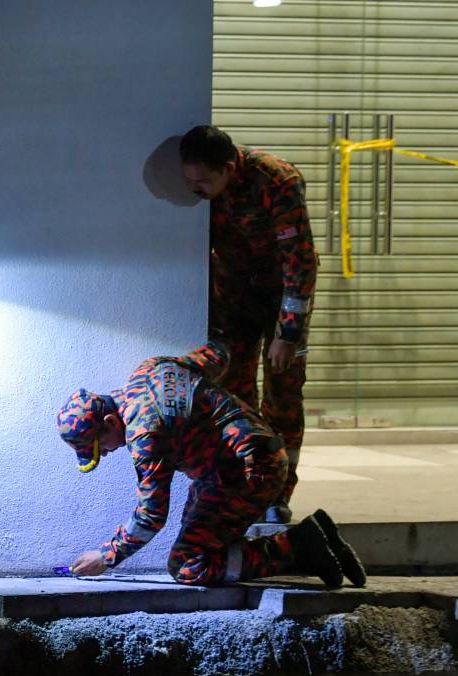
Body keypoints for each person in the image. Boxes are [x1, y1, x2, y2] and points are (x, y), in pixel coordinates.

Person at [57, 342, 365, 588]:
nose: (107, 454)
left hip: (248, 474)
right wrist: (214, 410)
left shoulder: (144, 433)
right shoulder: (150, 369)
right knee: (197, 524)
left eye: (101, 448)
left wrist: (106, 556)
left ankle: (296, 547)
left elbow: (151, 515)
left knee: (188, 565)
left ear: (110, 422)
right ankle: (321, 535)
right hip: (256, 453)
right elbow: (218, 354)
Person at [180, 126, 318, 524]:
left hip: (279, 302)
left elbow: (300, 261)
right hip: (234, 301)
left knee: (284, 396)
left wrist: (287, 332)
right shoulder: (198, 188)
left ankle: (278, 492)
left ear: (227, 168)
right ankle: (247, 485)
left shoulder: (276, 180)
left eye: (204, 181)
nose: (196, 190)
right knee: (235, 394)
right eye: (191, 181)